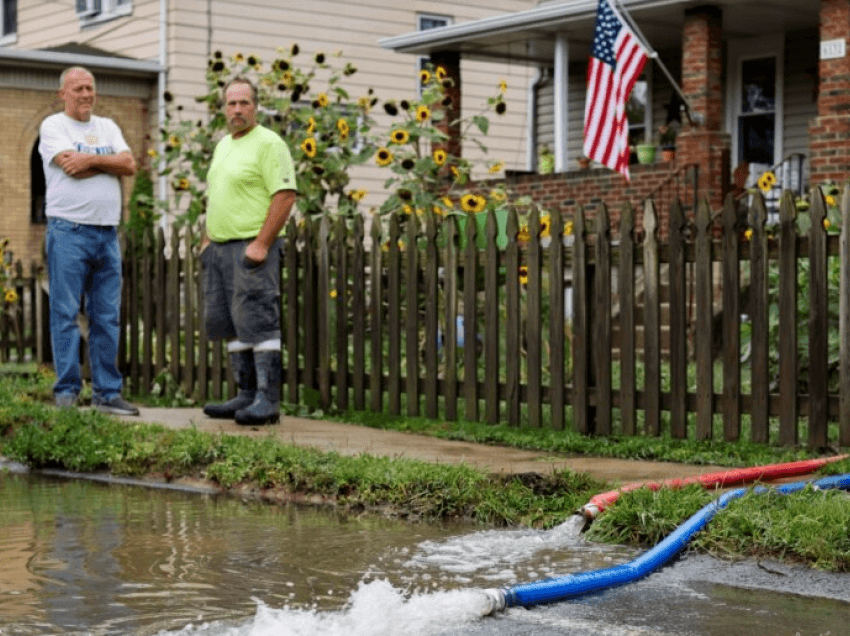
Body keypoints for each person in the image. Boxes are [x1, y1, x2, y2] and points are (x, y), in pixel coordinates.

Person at [39, 66, 140, 415]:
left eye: (90, 88)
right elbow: (69, 166)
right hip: (69, 231)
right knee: (65, 313)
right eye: (78, 88)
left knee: (107, 316)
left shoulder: (108, 126)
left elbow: (129, 164)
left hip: (107, 233)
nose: (86, 94)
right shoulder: (53, 126)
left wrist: (92, 160)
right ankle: (67, 392)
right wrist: (109, 162)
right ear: (62, 94)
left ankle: (107, 394)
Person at [201, 76, 297, 425]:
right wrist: (207, 239)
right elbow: (217, 194)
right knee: (230, 321)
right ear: (224, 109)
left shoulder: (269, 144)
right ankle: (244, 394)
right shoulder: (223, 145)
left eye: (244, 103)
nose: (237, 110)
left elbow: (285, 194)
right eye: (231, 103)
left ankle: (267, 400)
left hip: (251, 248)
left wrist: (261, 243)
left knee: (257, 318)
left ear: (255, 106)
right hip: (220, 250)